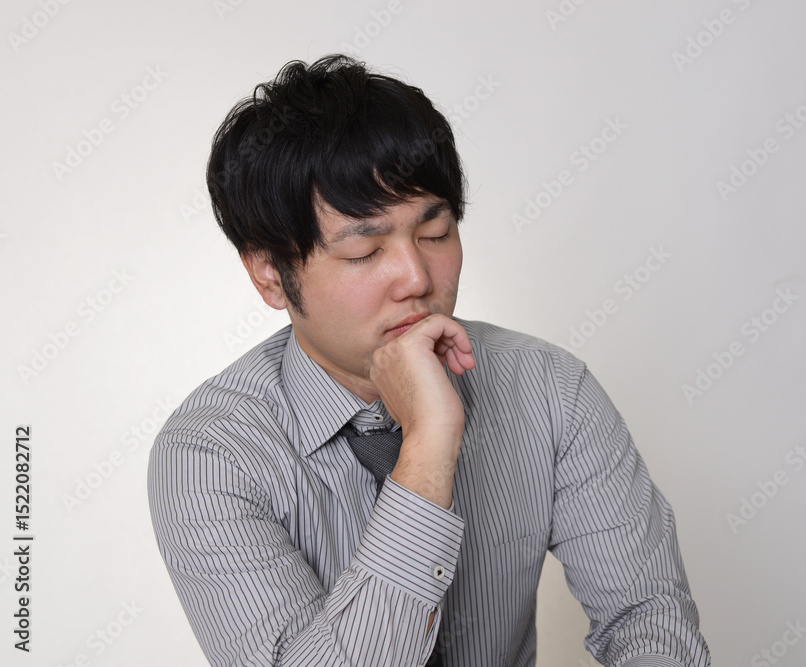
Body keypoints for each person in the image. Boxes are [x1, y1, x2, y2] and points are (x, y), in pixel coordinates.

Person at [147, 54, 711, 667]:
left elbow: (647, 617)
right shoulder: (209, 455)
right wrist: (427, 445)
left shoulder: (550, 388)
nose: (417, 278)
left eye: (435, 234)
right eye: (365, 251)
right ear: (269, 275)